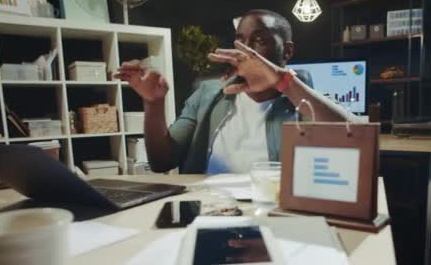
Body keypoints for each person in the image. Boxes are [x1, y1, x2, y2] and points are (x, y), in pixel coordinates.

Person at [115, 9, 360, 174]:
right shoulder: (209, 94)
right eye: (240, 40)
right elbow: (161, 162)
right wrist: (153, 104)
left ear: (287, 52)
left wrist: (284, 83)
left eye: (259, 40)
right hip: (209, 210)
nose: (245, 50)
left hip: (272, 213)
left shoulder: (300, 96)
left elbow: (355, 138)